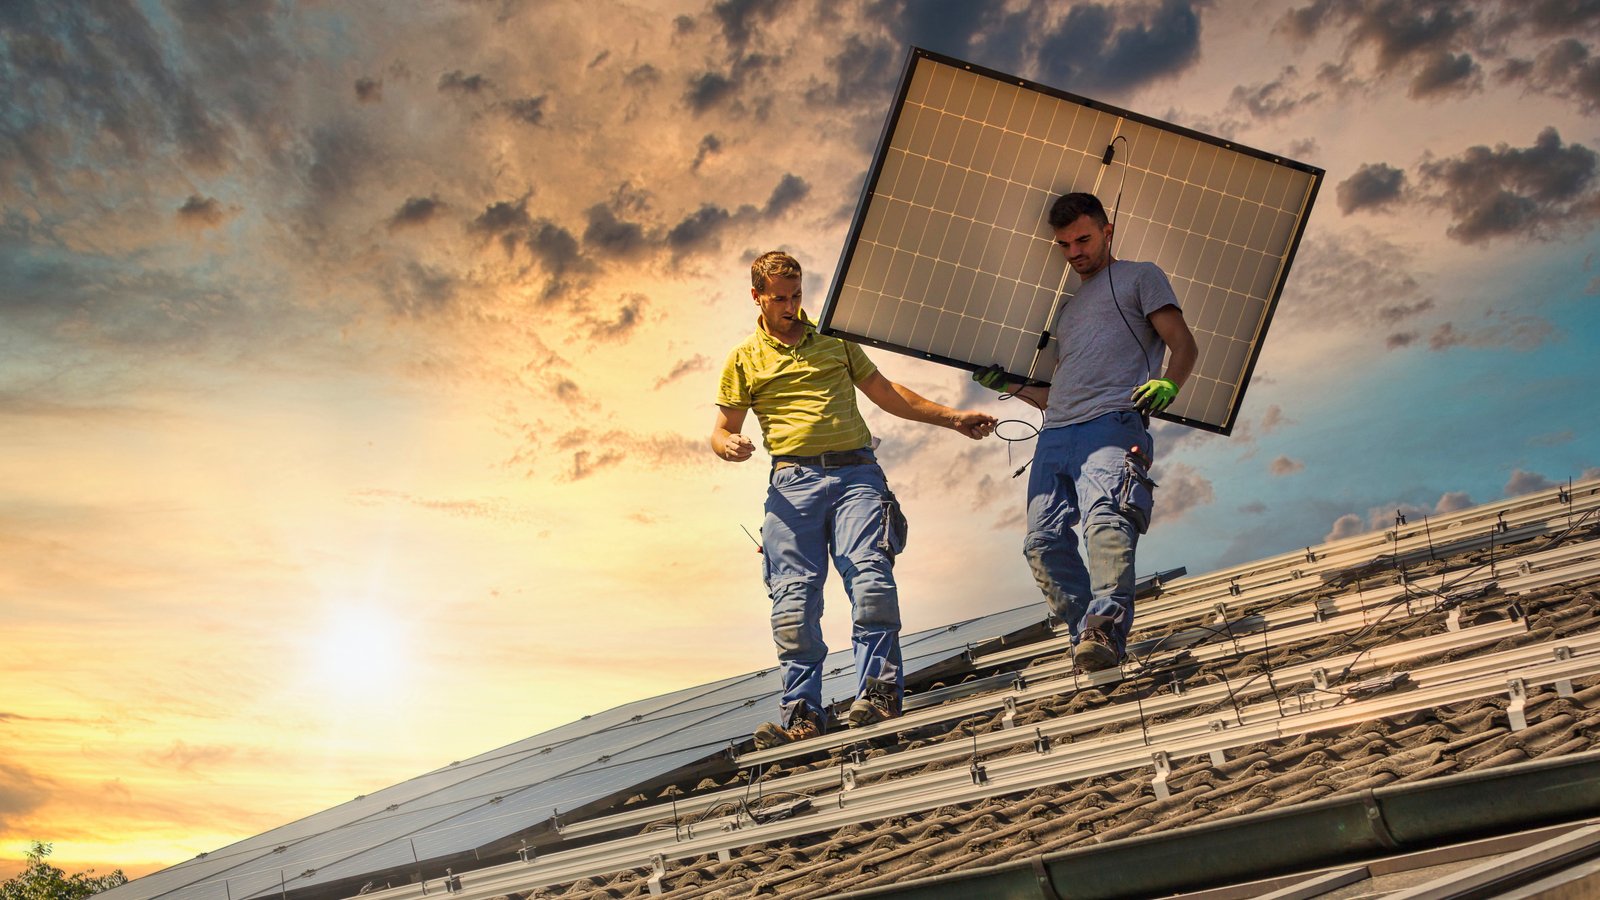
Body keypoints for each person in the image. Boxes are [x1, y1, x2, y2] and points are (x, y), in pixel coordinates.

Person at [713, 250, 998, 749]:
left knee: (870, 579)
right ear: (756, 297)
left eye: (797, 295)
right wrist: (728, 446)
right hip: (791, 486)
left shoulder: (834, 341)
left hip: (856, 476)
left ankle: (880, 692)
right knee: (793, 603)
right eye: (779, 297)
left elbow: (886, 393)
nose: (790, 305)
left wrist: (952, 417)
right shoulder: (742, 360)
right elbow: (721, 430)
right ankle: (802, 712)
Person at [974, 192, 1197, 673]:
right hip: (1055, 435)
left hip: (1113, 422)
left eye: (1084, 239)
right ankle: (1087, 641)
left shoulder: (1141, 276)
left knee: (1107, 520)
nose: (1075, 252)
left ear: (1107, 230)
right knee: (1043, 543)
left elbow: (1184, 344)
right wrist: (1010, 385)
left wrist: (1168, 384)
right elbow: (1059, 394)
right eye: (1064, 244)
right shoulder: (1068, 311)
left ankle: (1106, 626)